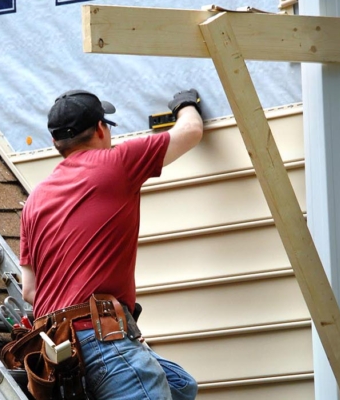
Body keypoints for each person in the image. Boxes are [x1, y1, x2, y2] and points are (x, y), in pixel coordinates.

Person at [20, 88, 203, 400]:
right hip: (101, 340)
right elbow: (190, 131)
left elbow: (29, 291)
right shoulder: (118, 163)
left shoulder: (34, 199)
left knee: (182, 388)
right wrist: (185, 103)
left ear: (55, 143)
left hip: (61, 353)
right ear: (101, 129)